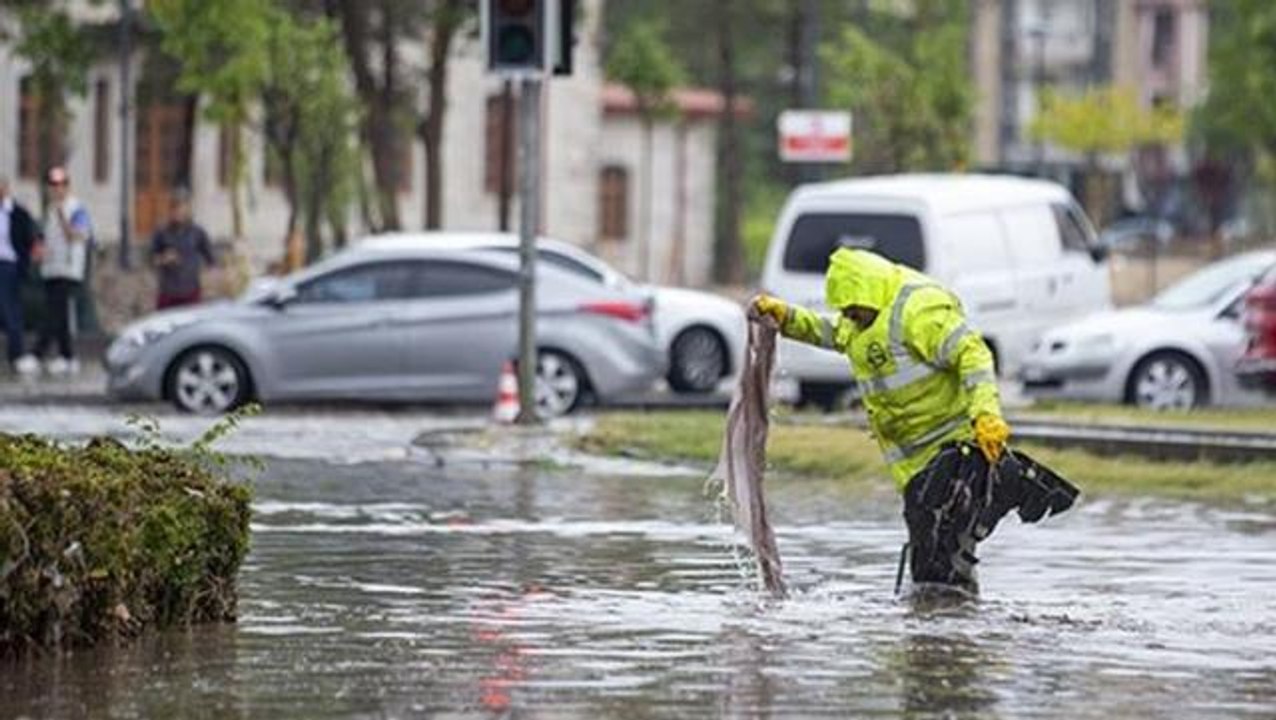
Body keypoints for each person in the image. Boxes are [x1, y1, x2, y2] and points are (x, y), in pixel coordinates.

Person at [752, 248, 1012, 592]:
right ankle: (944, 628)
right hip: (913, 466)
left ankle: (943, 630)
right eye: (845, 312)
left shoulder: (919, 311)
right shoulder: (860, 320)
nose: (850, 317)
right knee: (935, 551)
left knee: (940, 550)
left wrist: (986, 414)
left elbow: (973, 353)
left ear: (868, 293)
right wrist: (786, 317)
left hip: (954, 453)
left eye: (853, 310)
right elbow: (828, 333)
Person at [34, 166, 93, 376]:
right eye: (53, 185)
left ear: (67, 186)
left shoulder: (76, 208)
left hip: (68, 269)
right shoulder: (49, 210)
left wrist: (61, 216)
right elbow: (46, 238)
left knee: (56, 312)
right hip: (51, 267)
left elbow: (76, 235)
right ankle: (66, 356)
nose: (57, 189)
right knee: (58, 315)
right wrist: (40, 251)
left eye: (60, 184)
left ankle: (41, 353)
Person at [0, 176, 41, 375]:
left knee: (11, 310)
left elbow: (29, 239)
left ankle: (16, 354)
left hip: (9, 265)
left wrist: (26, 263)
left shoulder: (18, 213)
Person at [149, 188, 215, 309]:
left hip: (191, 293)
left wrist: (207, 280)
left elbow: (211, 260)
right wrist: (164, 259)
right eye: (174, 208)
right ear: (170, 210)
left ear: (188, 209)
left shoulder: (198, 232)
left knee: (191, 327)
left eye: (181, 207)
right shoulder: (161, 232)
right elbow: (150, 260)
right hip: (168, 294)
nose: (177, 211)